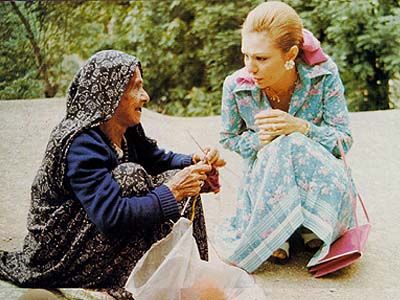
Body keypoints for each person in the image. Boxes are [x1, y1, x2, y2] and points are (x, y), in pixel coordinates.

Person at [0, 50, 225, 299]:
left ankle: (189, 280)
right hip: (57, 250)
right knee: (131, 176)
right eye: (136, 88)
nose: (146, 96)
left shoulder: (123, 128)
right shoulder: (80, 142)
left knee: (180, 187)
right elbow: (111, 216)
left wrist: (193, 165)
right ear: (111, 93)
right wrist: (173, 190)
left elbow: (157, 159)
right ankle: (121, 282)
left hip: (90, 234)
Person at [214, 1, 355, 272]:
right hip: (265, 184)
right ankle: (278, 230)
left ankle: (312, 224)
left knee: (292, 141)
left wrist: (302, 128)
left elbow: (343, 141)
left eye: (261, 58)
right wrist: (260, 140)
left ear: (290, 53)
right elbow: (229, 138)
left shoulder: (323, 75)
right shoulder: (235, 86)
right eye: (246, 56)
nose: (250, 68)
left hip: (321, 182)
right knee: (277, 147)